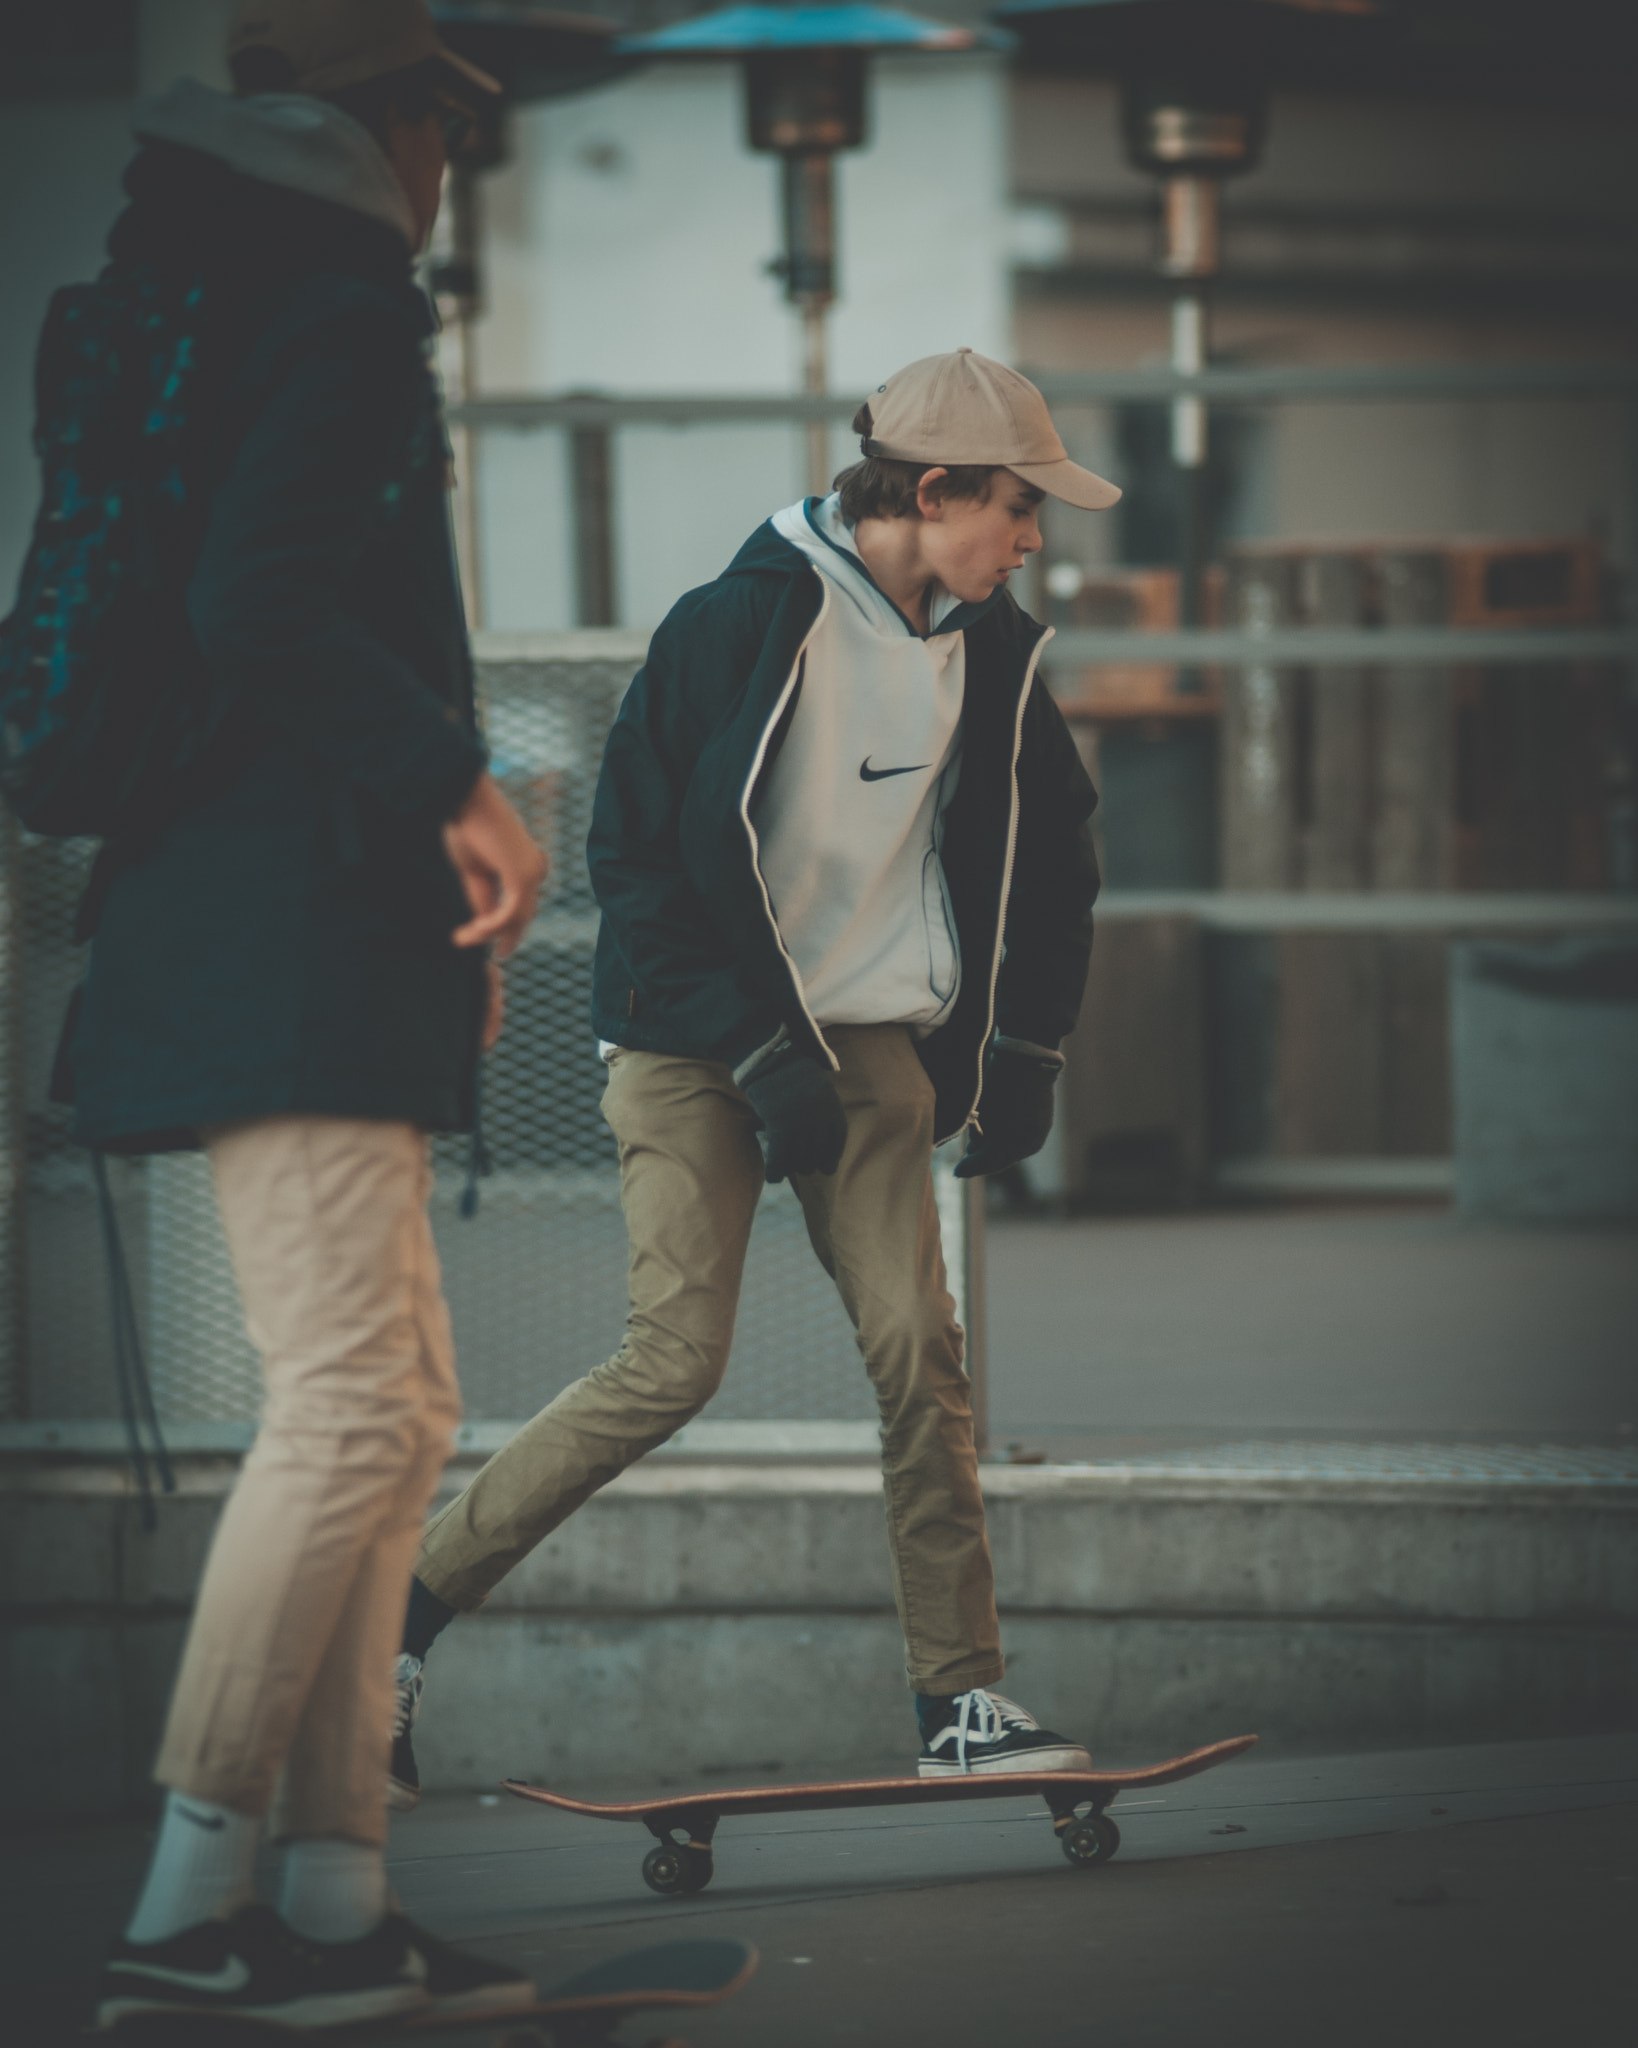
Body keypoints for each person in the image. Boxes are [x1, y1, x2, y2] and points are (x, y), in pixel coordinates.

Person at [388, 349, 1118, 1804]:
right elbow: (635, 864)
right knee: (674, 1361)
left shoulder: (993, 650)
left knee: (924, 1357)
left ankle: (957, 1701)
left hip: (865, 1044)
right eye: (1019, 508)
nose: (1033, 540)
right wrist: (755, 1046)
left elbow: (1056, 866)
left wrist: (1024, 1047)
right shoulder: (736, 626)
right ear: (932, 492)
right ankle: (393, 1629)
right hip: (689, 1037)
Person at [66, 2, 548, 2030]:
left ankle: (336, 1898)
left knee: (396, 1406)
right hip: (289, 926)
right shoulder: (331, 298)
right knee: (352, 1401)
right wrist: (463, 773)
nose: (465, 176)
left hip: (254, 919)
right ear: (394, 120)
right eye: (460, 129)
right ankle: (191, 1905)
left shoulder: (190, 288)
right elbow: (256, 597)